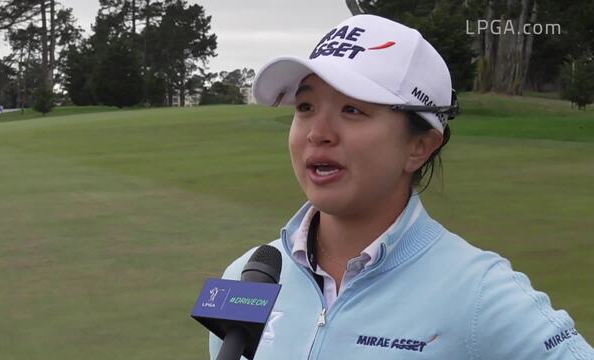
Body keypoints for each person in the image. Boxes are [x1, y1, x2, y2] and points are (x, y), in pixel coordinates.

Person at [209, 14, 593, 359]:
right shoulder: (246, 277)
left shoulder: (479, 293)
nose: (318, 134)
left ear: (420, 146)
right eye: (305, 108)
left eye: (353, 110)